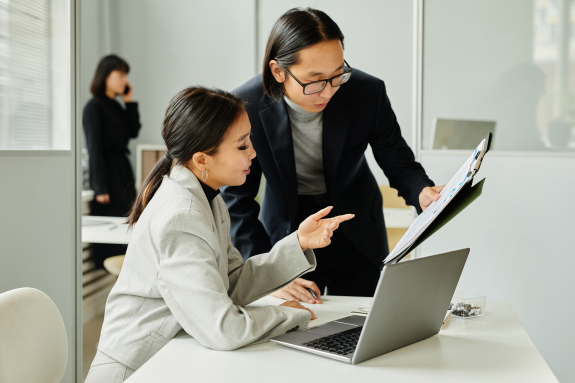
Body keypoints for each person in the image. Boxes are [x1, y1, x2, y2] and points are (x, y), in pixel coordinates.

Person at [85, 86, 353, 382]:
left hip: (171, 355)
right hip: (137, 369)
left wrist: (299, 242)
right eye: (242, 146)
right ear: (202, 160)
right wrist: (291, 316)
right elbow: (223, 329)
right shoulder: (182, 215)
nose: (254, 152)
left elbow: (229, 282)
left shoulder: (207, 195)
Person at [221, 7, 444, 303]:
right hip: (290, 233)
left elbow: (398, 161)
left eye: (337, 75)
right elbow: (236, 199)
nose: (328, 92)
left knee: (361, 328)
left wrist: (422, 193)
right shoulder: (246, 106)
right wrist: (264, 271)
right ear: (278, 71)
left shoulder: (366, 92)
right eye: (314, 81)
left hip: (356, 228)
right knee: (295, 330)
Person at [83, 54, 141, 268]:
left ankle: (128, 267)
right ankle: (113, 268)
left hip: (123, 170)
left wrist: (129, 102)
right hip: (107, 173)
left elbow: (133, 132)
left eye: (126, 75)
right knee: (114, 222)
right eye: (120, 74)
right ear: (105, 75)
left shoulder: (116, 106)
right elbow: (94, 147)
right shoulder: (94, 107)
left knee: (128, 219)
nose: (124, 80)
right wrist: (100, 187)